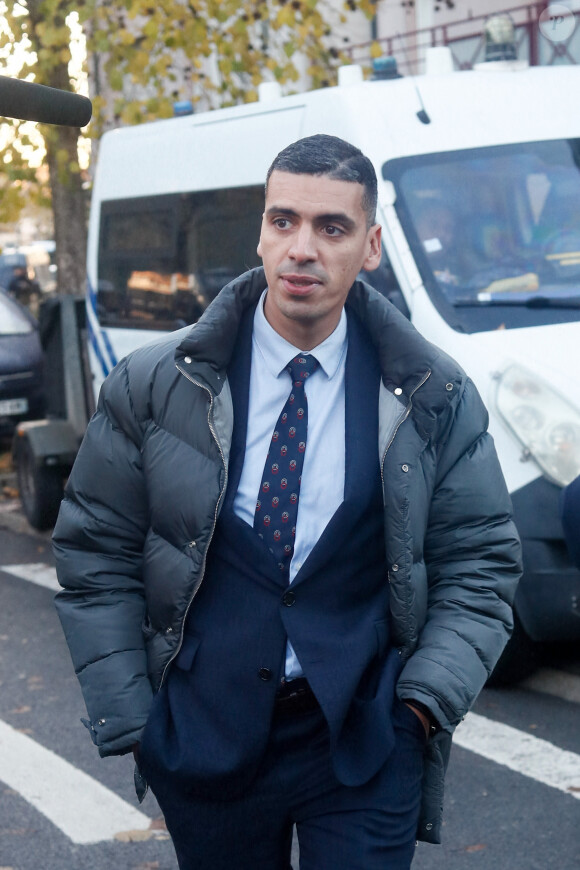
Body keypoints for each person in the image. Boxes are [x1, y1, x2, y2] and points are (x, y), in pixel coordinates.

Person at [53, 134, 522, 869]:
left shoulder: (433, 394)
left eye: (331, 228)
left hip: (365, 739)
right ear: (263, 232)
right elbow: (95, 550)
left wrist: (423, 706)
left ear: (370, 247)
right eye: (284, 221)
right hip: (204, 741)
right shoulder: (156, 385)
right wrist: (137, 717)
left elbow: (482, 563)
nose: (302, 248)